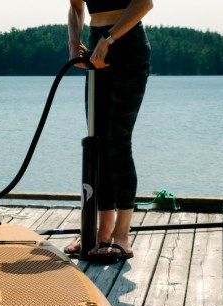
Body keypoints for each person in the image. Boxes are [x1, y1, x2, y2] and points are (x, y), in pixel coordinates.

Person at [64, 0, 153, 262]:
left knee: (118, 141)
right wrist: (73, 43)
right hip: (96, 44)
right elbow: (76, 7)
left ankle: (122, 235)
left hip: (128, 44)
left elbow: (145, 4)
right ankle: (103, 232)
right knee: (98, 141)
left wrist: (108, 40)